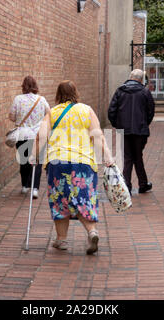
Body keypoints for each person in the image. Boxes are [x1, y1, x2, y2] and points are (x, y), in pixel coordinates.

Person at [30, 80, 114, 255]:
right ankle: (92, 232)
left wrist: (33, 156)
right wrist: (107, 157)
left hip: (57, 163)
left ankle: (61, 240)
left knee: (60, 200)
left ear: (58, 94)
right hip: (83, 163)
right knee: (84, 198)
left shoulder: (52, 113)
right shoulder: (86, 110)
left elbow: (41, 137)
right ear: (76, 92)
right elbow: (97, 136)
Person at [108, 69, 155, 194]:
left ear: (130, 77)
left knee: (128, 157)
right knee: (137, 156)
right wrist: (144, 124)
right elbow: (151, 111)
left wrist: (118, 125)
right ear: (140, 79)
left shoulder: (120, 91)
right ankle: (143, 184)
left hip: (124, 130)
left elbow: (111, 111)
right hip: (140, 131)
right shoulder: (145, 92)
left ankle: (127, 186)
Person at [9, 76, 50, 199]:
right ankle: (35, 189)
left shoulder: (18, 99)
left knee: (24, 161)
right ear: (35, 86)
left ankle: (25, 185)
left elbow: (11, 116)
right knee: (37, 161)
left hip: (22, 135)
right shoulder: (41, 100)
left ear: (23, 86)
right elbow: (49, 114)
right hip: (38, 136)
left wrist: (19, 119)